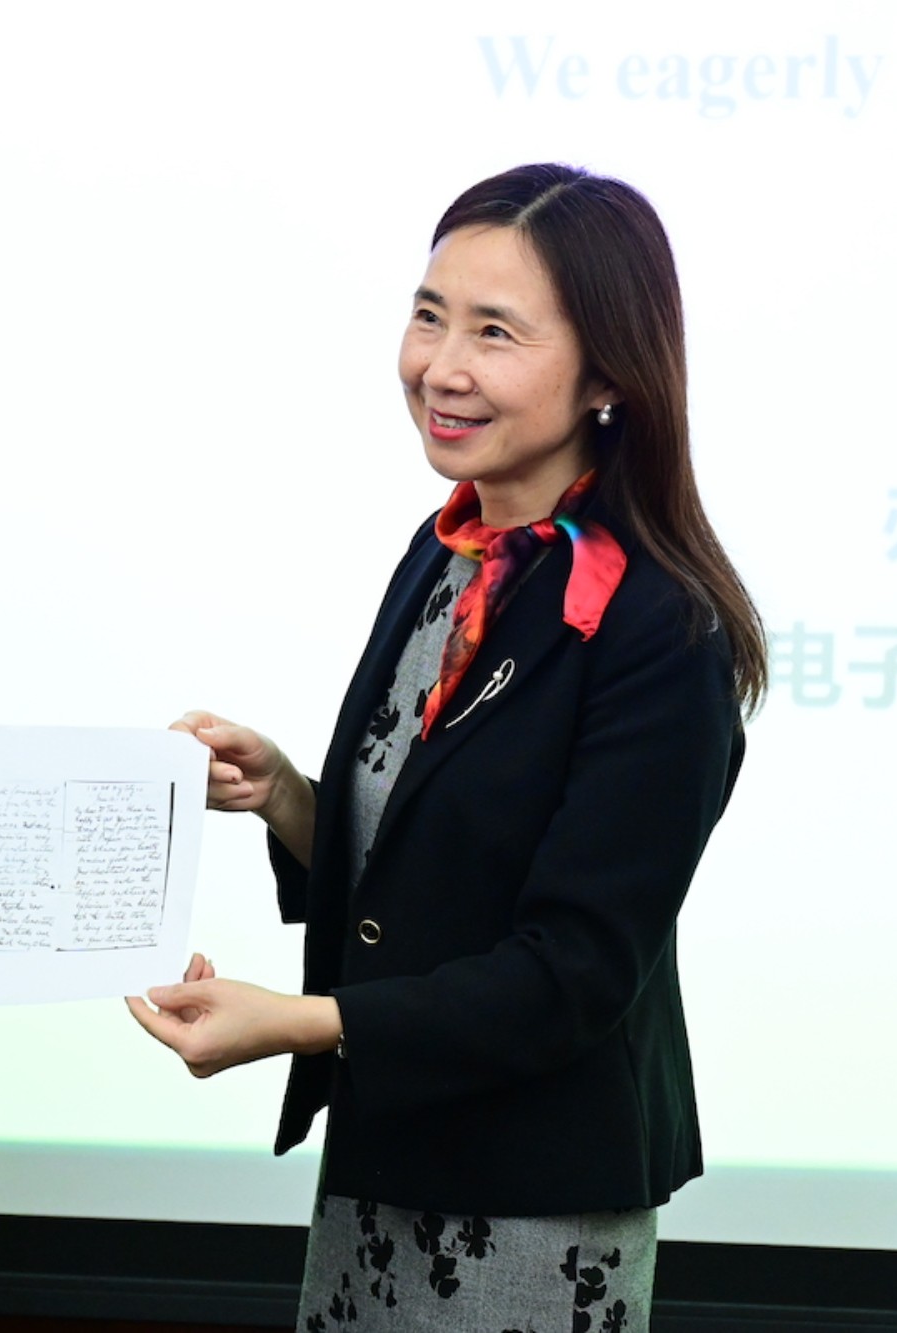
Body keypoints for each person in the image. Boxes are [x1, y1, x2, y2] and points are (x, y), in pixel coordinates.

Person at [128, 164, 763, 1330]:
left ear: (611, 374)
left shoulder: (659, 630)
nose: (440, 366)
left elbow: (570, 971)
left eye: (494, 332)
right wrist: (284, 797)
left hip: (532, 1204)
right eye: (427, 315)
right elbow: (430, 870)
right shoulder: (448, 556)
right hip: (384, 1165)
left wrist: (301, 1021)